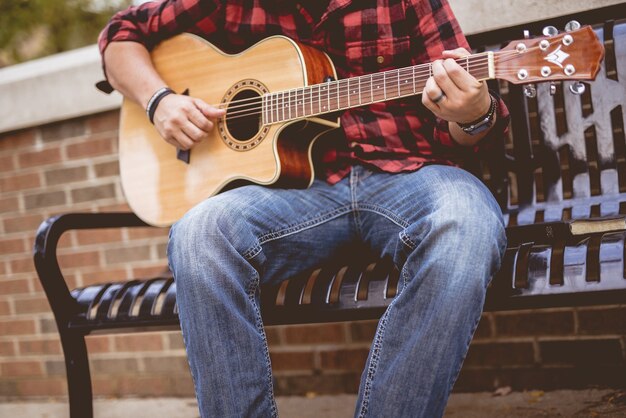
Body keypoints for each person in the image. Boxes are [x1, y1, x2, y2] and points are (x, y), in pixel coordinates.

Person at [98, 0, 510, 416]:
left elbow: (472, 126)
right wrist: (160, 101)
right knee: (198, 234)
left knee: (465, 224)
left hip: (409, 174)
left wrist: (474, 114)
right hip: (296, 190)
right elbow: (120, 36)